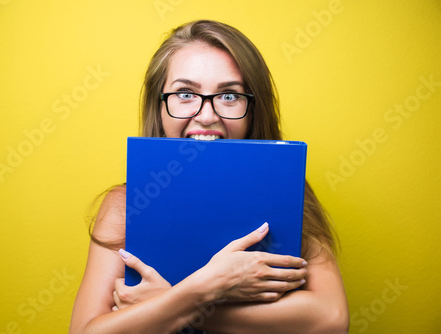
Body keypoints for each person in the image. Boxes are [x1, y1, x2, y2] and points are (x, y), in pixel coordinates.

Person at [69, 20, 349, 334]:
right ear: (159, 106)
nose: (206, 116)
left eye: (229, 96)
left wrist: (171, 303)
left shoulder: (288, 190)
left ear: (253, 108)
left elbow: (331, 319)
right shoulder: (124, 205)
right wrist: (209, 286)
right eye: (185, 93)